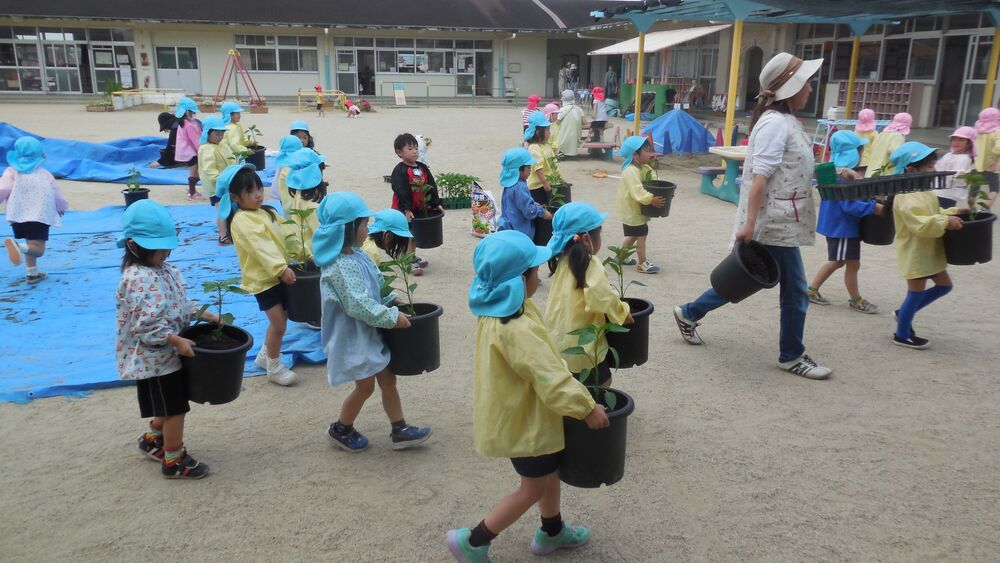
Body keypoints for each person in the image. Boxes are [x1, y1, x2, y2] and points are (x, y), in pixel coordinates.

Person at [447, 229, 609, 562]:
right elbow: (548, 376)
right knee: (532, 487)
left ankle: (552, 531)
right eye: (535, 272)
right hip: (527, 424)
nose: (540, 276)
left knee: (548, 475)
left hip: (525, 416)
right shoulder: (516, 326)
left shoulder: (502, 311)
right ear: (519, 280)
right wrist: (586, 407)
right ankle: (474, 541)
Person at [672, 52, 834, 380]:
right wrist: (748, 226)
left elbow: (792, 169)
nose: (811, 88)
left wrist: (838, 173)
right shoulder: (775, 123)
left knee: (752, 281)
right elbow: (759, 178)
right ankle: (791, 355)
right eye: (807, 82)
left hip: (780, 219)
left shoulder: (787, 121)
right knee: (794, 289)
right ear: (791, 88)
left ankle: (690, 312)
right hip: (773, 222)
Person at [312, 192, 432, 452]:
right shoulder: (339, 267)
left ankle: (399, 428)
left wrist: (392, 299)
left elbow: (376, 283)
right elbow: (358, 305)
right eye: (364, 224)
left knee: (387, 378)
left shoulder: (358, 255)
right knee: (365, 386)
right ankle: (341, 428)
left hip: (368, 331)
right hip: (352, 335)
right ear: (347, 228)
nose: (368, 229)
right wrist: (390, 317)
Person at [116, 200, 216, 479]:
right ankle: (174, 460)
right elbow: (145, 325)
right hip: (155, 360)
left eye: (166, 247)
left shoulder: (167, 270)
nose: (165, 253)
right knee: (175, 408)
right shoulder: (137, 279)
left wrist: (202, 313)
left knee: (171, 402)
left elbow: (180, 302)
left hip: (168, 354)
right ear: (135, 247)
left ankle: (151, 440)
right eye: (159, 249)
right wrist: (175, 340)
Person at [217, 164, 298, 386]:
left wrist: (305, 253)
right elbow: (260, 246)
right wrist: (280, 269)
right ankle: (273, 365)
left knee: (284, 316)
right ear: (235, 197)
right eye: (251, 192)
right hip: (264, 281)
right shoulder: (242, 221)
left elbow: (288, 234)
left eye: (259, 188)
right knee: (279, 324)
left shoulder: (266, 212)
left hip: (277, 274)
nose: (258, 195)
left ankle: (264, 355)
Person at [545, 202, 632, 388]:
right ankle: (587, 414)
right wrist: (622, 312)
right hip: (583, 343)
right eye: (599, 233)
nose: (600, 237)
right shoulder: (590, 264)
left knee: (570, 382)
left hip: (559, 336)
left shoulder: (563, 260)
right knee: (602, 382)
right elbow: (602, 297)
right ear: (586, 239)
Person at [890, 142, 965, 349]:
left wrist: (952, 213)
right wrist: (945, 222)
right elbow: (919, 224)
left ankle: (903, 313)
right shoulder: (905, 195)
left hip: (929, 249)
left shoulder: (924, 189)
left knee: (945, 285)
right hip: (915, 252)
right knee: (914, 293)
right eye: (929, 167)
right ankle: (902, 334)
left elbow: (933, 213)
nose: (933, 170)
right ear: (911, 169)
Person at [807, 130, 882, 313]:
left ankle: (820, 291)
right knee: (839, 261)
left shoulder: (835, 173)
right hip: (842, 228)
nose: (862, 153)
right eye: (860, 150)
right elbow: (850, 207)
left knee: (850, 262)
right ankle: (849, 298)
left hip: (838, 226)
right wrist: (873, 207)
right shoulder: (843, 179)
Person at [1, 137, 69, 283]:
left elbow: (4, 188)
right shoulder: (44, 174)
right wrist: (61, 207)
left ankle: (32, 272)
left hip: (17, 215)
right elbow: (56, 193)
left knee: (29, 243)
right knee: (38, 248)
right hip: (39, 216)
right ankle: (18, 247)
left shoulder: (11, 172)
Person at [389, 132, 443, 266]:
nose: (414, 151)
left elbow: (431, 186)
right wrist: (406, 209)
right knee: (408, 235)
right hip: (403, 209)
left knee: (414, 234)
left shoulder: (422, 167)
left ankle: (410, 257)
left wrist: (436, 203)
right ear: (399, 152)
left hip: (418, 208)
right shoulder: (399, 170)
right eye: (410, 149)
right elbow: (401, 190)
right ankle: (408, 261)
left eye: (416, 148)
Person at [616, 136, 666, 274]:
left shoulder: (643, 167)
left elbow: (654, 180)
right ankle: (642, 263)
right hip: (633, 211)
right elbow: (637, 191)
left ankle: (620, 257)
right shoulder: (630, 171)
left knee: (632, 236)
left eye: (649, 150)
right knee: (641, 236)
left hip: (634, 211)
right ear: (635, 155)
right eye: (646, 151)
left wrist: (661, 187)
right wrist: (651, 199)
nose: (649, 154)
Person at [284, 148, 327, 266]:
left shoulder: (299, 193)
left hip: (299, 248)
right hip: (311, 254)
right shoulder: (312, 206)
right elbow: (321, 232)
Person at [198, 115, 237, 244]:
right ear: (207, 133)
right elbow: (209, 170)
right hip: (217, 188)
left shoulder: (222, 145)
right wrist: (221, 180)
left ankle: (231, 232)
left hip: (227, 185)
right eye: (216, 134)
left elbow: (231, 160)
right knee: (222, 211)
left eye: (221, 134)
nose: (220, 137)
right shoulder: (206, 149)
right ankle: (223, 235)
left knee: (230, 208)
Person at [498, 147, 551, 239]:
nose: (530, 169)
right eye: (528, 167)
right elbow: (529, 211)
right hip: (520, 233)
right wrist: (543, 212)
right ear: (519, 170)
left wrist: (533, 203)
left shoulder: (510, 185)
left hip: (510, 229)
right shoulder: (520, 186)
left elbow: (517, 203)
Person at [361, 208, 417, 272]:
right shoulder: (371, 252)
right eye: (396, 243)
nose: (396, 247)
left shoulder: (366, 241)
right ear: (388, 236)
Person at [933, 127, 977, 208]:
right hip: (938, 190)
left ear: (969, 143)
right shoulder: (949, 155)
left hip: (948, 194)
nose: (956, 142)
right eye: (954, 139)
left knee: (944, 215)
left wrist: (961, 176)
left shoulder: (964, 158)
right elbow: (937, 167)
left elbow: (960, 180)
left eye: (961, 140)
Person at [524, 112, 558, 206]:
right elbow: (538, 168)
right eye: (547, 130)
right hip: (537, 187)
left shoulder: (546, 146)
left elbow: (553, 164)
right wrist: (545, 182)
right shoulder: (534, 147)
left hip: (547, 183)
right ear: (538, 132)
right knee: (540, 209)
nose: (549, 133)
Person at [864, 112, 911, 177]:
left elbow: (873, 148)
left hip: (871, 171)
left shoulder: (881, 134)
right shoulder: (897, 136)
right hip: (884, 173)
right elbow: (896, 154)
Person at [173, 97, 202, 200]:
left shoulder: (183, 123)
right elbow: (196, 141)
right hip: (191, 153)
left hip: (186, 152)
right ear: (186, 112)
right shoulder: (189, 125)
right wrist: (201, 151)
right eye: (193, 112)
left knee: (194, 172)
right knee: (195, 173)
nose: (194, 114)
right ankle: (192, 192)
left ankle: (191, 189)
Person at [974, 107, 1000, 207]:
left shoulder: (977, 130)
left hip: (976, 164)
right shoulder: (997, 132)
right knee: (994, 188)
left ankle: (971, 208)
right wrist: (994, 160)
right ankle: (985, 208)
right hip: (991, 166)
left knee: (974, 186)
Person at [272, 134, 306, 209]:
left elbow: (277, 183)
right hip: (293, 193)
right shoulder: (294, 165)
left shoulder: (281, 163)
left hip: (282, 192)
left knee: (285, 206)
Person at [556, 90, 585, 157]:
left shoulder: (562, 110)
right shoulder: (579, 109)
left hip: (563, 137)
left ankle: (562, 153)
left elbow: (557, 122)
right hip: (576, 138)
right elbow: (584, 122)